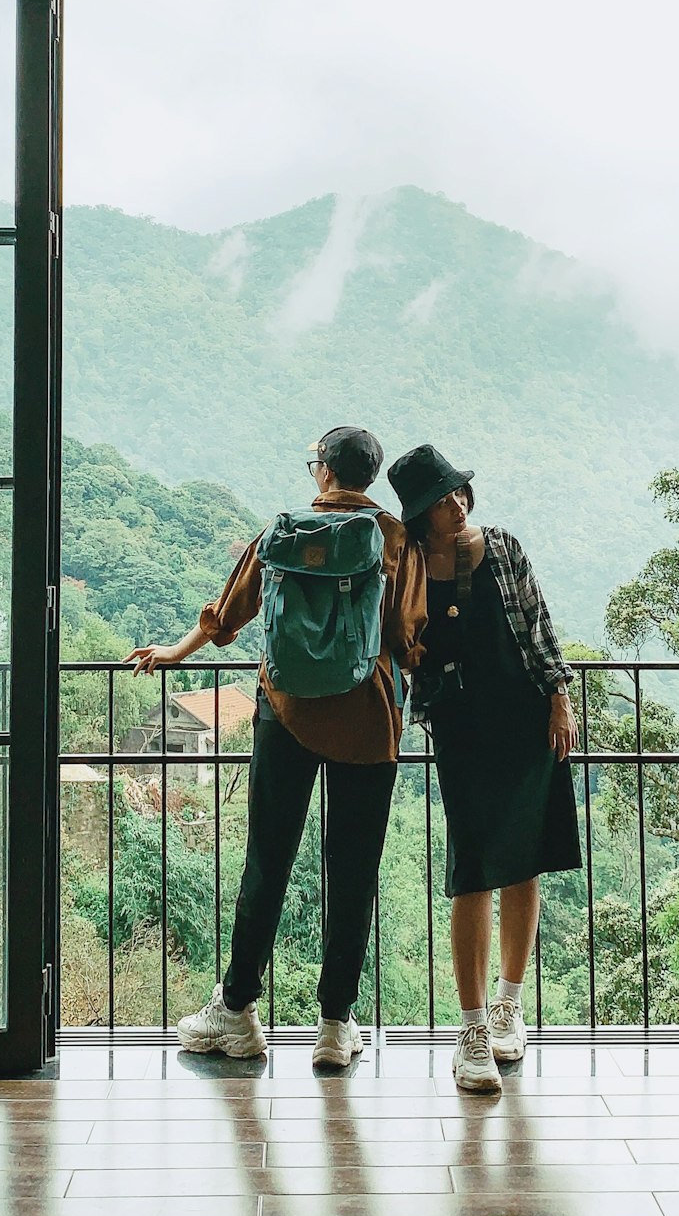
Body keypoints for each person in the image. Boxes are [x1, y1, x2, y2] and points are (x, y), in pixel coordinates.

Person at [126, 427, 427, 1067]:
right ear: (369, 477)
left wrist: (175, 652)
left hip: (286, 714)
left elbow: (227, 615)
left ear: (323, 473)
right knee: (352, 870)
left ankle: (236, 1011)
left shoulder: (281, 532)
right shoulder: (395, 537)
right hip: (369, 722)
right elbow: (406, 634)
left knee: (268, 859)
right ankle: (336, 1027)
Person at [388, 444, 581, 1092]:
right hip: (461, 728)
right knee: (472, 869)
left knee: (523, 860)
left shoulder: (503, 547)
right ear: (419, 515)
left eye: (458, 492)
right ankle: (470, 1032)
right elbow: (398, 638)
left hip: (525, 718)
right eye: (442, 499)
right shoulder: (410, 562)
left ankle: (509, 1006)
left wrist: (560, 698)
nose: (457, 503)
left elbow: (539, 624)